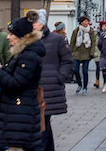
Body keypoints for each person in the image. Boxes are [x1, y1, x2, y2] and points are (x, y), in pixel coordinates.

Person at [0, 11, 45, 151]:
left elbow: (16, 84)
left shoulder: (28, 56)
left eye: (12, 34)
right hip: (17, 113)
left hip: (20, 114)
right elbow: (15, 76)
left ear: (22, 37)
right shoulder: (24, 53)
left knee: (16, 148)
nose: (8, 37)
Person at [32, 9, 73, 151]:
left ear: (43, 23)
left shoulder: (56, 40)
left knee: (42, 122)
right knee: (44, 123)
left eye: (36, 22)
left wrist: (59, 77)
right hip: (34, 89)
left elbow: (68, 61)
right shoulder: (28, 39)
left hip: (50, 89)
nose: (33, 25)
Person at [69, 16, 97, 95]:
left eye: (87, 21)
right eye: (85, 21)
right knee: (75, 70)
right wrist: (70, 52)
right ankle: (79, 84)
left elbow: (93, 42)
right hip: (77, 53)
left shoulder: (90, 31)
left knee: (85, 71)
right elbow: (72, 42)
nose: (87, 22)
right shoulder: (76, 31)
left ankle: (85, 87)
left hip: (86, 53)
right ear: (81, 22)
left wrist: (92, 53)